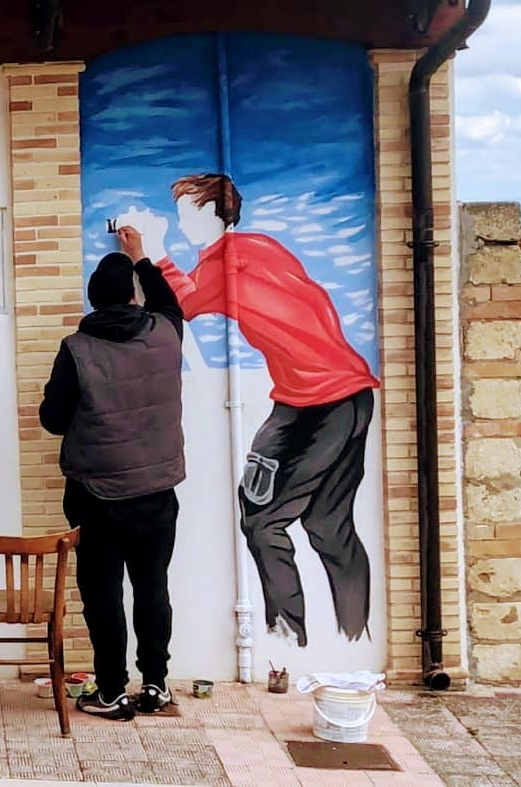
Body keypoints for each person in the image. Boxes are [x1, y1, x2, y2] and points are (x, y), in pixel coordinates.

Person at [119, 173, 378, 647]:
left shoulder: (231, 261)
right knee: (327, 526)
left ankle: (286, 641)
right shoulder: (255, 249)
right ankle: (351, 636)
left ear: (212, 213)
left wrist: (150, 251)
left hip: (321, 402)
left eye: (186, 213)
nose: (180, 222)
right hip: (337, 395)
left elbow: (186, 304)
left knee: (263, 520)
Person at [39, 225, 186, 721]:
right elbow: (168, 301)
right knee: (152, 588)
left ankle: (110, 692)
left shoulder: (76, 348)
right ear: (132, 296)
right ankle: (156, 685)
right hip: (157, 491)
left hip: (97, 494)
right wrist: (140, 256)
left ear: (93, 300)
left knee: (103, 594)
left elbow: (53, 420)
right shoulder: (166, 332)